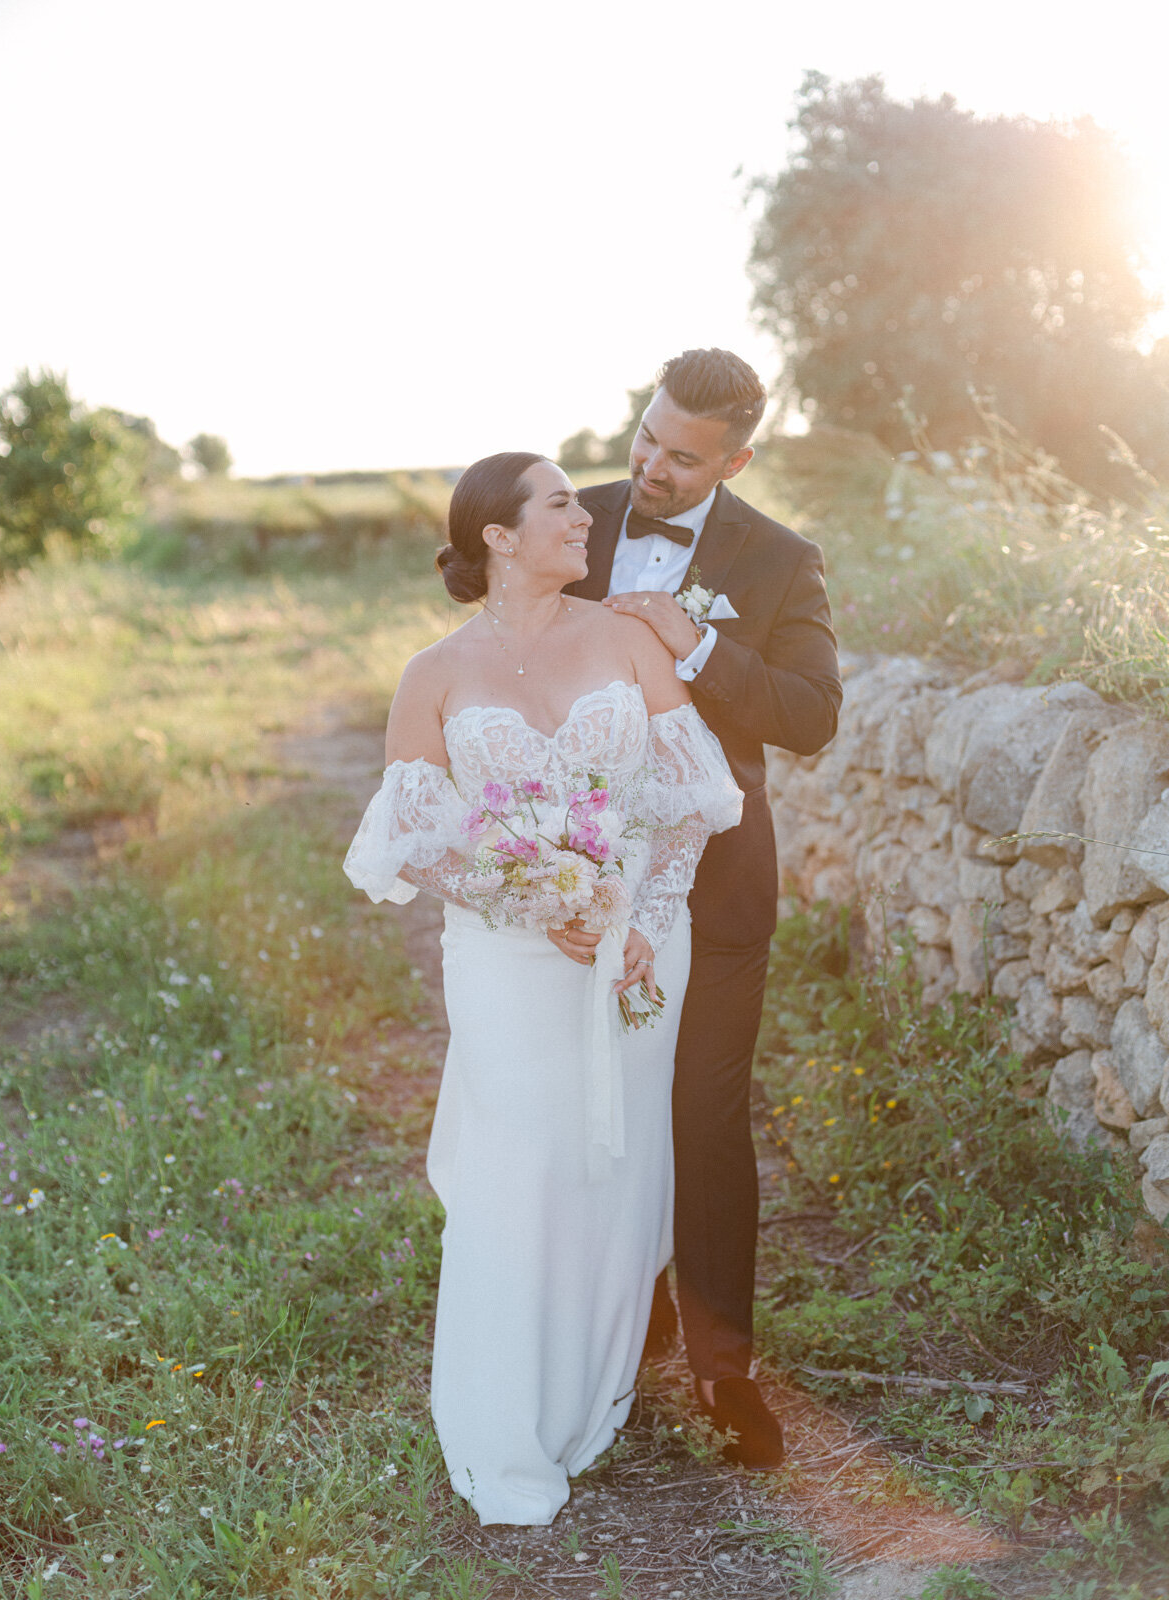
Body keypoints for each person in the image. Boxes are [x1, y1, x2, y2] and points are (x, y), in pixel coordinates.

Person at [343, 450, 742, 1526]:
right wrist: (537, 901)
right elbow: (419, 840)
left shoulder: (625, 637)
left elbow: (690, 799)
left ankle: (586, 1388)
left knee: (608, 1163)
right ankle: (502, 1414)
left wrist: (640, 924)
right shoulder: (432, 674)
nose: (585, 515)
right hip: (504, 957)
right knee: (517, 1161)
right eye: (561, 502)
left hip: (636, 944)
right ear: (500, 538)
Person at [567, 348, 842, 1468]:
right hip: (580, 874)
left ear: (736, 458)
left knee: (706, 1111)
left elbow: (811, 714)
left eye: (682, 458)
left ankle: (724, 1367)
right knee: (592, 1100)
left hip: (718, 879)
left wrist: (701, 644)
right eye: (645, 437)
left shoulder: (781, 561)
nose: (652, 467)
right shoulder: (566, 523)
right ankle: (606, 1335)